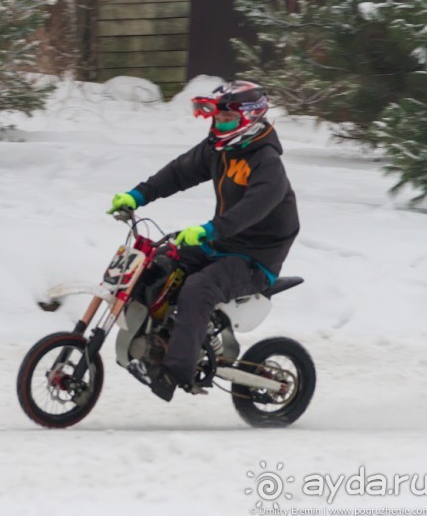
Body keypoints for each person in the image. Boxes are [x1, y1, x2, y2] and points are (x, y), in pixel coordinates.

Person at [108, 80, 300, 394]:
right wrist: (137, 195)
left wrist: (209, 231)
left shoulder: (267, 163)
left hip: (256, 256)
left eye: (226, 119)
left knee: (198, 288)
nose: (218, 124)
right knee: (158, 263)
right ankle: (156, 342)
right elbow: (179, 172)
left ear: (249, 119)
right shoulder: (219, 150)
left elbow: (251, 210)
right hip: (222, 243)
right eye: (216, 118)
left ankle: (176, 372)